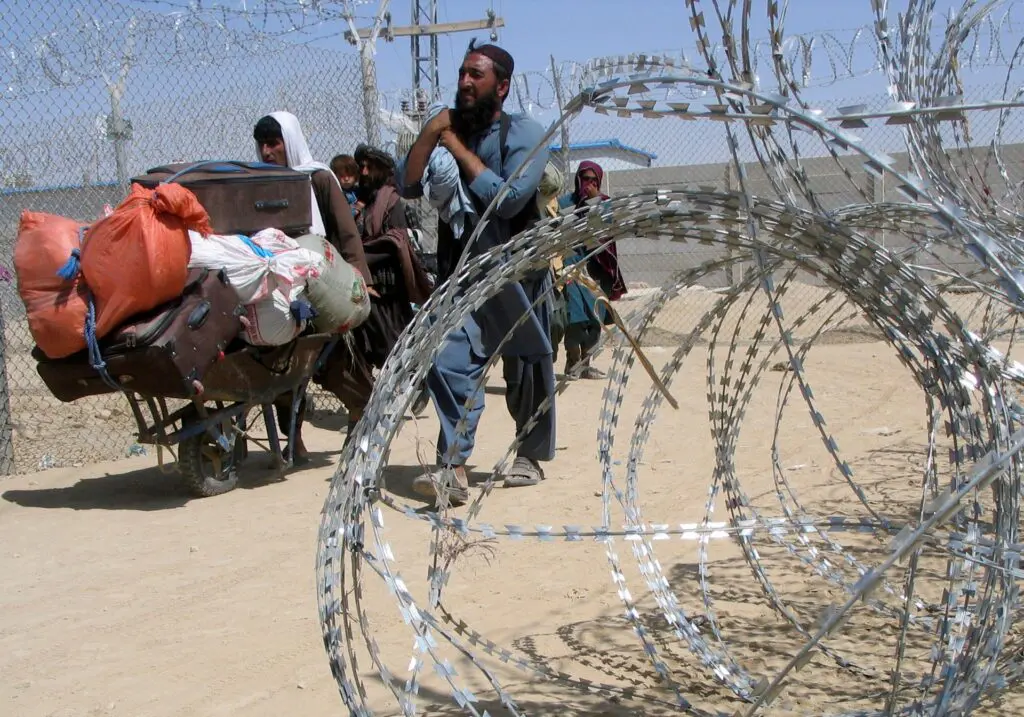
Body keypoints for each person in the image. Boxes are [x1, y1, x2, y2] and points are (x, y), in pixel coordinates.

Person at [400, 40, 555, 506]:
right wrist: (431, 133)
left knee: (527, 363)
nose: (465, 83)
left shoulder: (526, 133)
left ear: (501, 86)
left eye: (476, 76)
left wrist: (452, 145)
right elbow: (407, 185)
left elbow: (507, 198)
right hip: (463, 272)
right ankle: (453, 466)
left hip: (516, 268)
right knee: (449, 360)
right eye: (463, 73)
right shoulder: (450, 127)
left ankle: (528, 452)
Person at [252, 111, 375, 463]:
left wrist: (359, 280)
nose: (267, 152)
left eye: (274, 143)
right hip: (284, 287)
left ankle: (360, 418)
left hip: (326, 284)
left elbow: (345, 232)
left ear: (289, 140)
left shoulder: (319, 178)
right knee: (281, 365)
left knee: (337, 362)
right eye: (262, 145)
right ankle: (294, 441)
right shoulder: (259, 185)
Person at [350, 143, 434, 392]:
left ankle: (418, 386)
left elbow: (394, 242)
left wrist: (360, 255)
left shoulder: (391, 200)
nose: (363, 173)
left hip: (388, 285)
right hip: (368, 282)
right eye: (360, 167)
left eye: (368, 167)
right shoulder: (364, 201)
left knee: (395, 340)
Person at [556, 161, 626, 379]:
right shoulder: (566, 203)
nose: (588, 184)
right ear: (578, 179)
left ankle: (586, 364)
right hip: (573, 266)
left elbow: (599, 240)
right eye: (585, 179)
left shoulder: (604, 204)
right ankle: (572, 362)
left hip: (597, 269)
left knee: (596, 318)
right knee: (576, 316)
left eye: (593, 180)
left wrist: (594, 203)